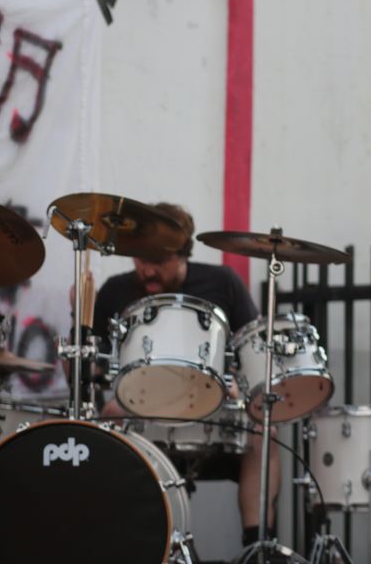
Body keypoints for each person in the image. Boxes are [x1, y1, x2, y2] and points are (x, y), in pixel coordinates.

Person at [88, 202, 281, 548]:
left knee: (262, 432)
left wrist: (241, 388)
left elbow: (254, 354)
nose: (148, 270)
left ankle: (259, 547)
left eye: (159, 261)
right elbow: (88, 372)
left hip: (210, 406)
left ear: (183, 253)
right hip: (140, 408)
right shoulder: (116, 290)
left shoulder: (223, 282)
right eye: (141, 259)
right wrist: (80, 323)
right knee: (106, 420)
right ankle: (116, 545)